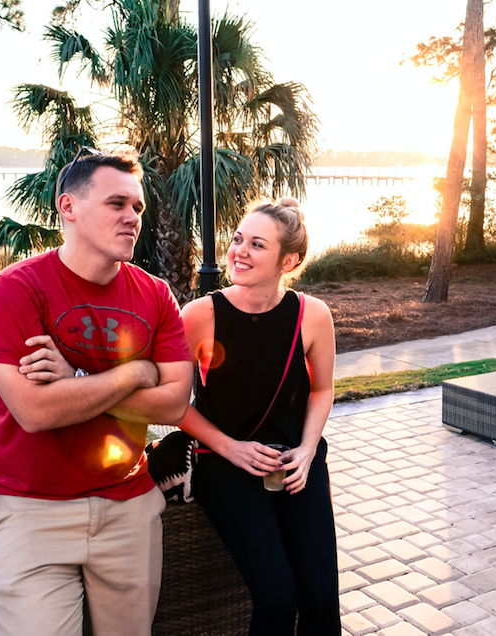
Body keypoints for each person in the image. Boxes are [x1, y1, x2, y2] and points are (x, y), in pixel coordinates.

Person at [0, 149, 193, 636]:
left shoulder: (155, 294)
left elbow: (176, 403)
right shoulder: (16, 289)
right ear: (68, 207)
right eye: (117, 203)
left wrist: (73, 380)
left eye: (137, 207)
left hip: (128, 506)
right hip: (31, 511)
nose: (133, 217)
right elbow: (34, 410)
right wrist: (136, 374)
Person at [179, 199, 341, 636]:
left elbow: (322, 390)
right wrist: (232, 449)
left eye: (256, 244)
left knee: (322, 599)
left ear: (288, 260)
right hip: (225, 463)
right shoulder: (200, 315)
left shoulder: (313, 315)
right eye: (237, 239)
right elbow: (175, 405)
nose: (238, 252)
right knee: (277, 597)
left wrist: (308, 451)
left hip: (296, 465)